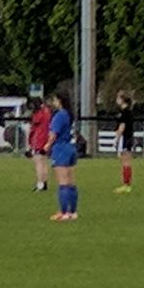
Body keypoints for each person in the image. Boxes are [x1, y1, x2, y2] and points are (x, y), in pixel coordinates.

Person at [44, 92, 79, 221]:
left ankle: (63, 212)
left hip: (60, 148)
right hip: (70, 147)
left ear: (59, 101)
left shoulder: (59, 115)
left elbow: (53, 134)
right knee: (71, 181)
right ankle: (73, 211)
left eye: (54, 100)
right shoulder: (69, 114)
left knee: (63, 181)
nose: (53, 103)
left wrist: (47, 145)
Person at [113, 92, 137, 194]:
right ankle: (126, 184)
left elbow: (122, 126)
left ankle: (126, 185)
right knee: (126, 162)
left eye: (118, 98)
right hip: (129, 137)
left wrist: (116, 139)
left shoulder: (124, 112)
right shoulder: (129, 112)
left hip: (125, 138)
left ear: (122, 100)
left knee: (125, 162)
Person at [26, 98, 52, 192]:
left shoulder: (38, 114)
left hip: (39, 139)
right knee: (44, 162)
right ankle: (44, 182)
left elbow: (34, 126)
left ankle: (40, 183)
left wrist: (30, 141)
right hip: (45, 138)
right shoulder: (47, 112)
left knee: (38, 163)